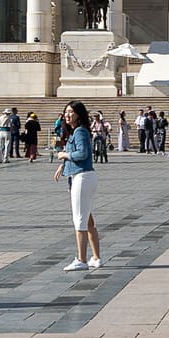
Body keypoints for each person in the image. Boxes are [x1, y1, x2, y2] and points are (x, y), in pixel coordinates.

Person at [55, 100, 104, 273]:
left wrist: (64, 154)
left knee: (79, 219)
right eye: (66, 111)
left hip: (82, 177)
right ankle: (96, 257)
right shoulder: (77, 131)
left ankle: (81, 259)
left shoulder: (80, 131)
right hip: (85, 176)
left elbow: (82, 153)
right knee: (88, 218)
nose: (67, 115)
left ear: (79, 114)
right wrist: (63, 165)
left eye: (71, 112)